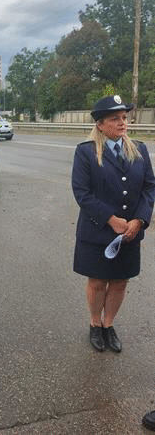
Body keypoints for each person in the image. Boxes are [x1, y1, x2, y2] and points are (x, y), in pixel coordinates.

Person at [72, 95, 155, 353]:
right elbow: (81, 192)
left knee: (119, 282)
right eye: (115, 119)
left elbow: (149, 187)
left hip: (130, 232)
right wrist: (111, 219)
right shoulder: (86, 151)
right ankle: (95, 324)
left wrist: (140, 220)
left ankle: (109, 325)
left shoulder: (139, 149)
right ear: (100, 124)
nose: (122, 123)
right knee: (97, 282)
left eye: (124, 118)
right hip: (97, 230)